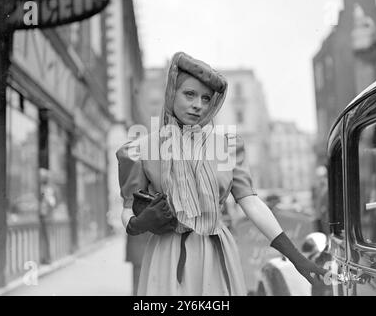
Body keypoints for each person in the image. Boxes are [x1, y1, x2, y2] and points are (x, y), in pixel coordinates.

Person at [116, 52, 326, 295]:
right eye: (189, 94)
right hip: (168, 254)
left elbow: (251, 203)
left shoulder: (226, 147)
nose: (198, 104)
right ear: (172, 93)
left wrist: (297, 258)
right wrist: (137, 223)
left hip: (216, 254)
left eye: (206, 98)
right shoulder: (142, 149)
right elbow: (127, 207)